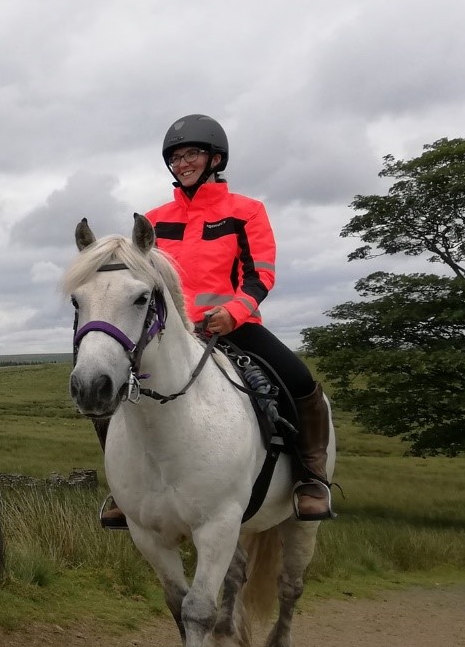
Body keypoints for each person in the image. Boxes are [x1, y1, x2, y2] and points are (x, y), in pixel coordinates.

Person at [97, 114, 335, 529]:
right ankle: (124, 489)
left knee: (299, 381)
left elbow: (261, 274)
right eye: (175, 157)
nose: (182, 163)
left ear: (215, 158)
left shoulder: (246, 211)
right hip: (170, 331)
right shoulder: (152, 220)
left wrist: (235, 311)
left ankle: (311, 479)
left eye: (192, 153)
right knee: (106, 386)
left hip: (234, 324)